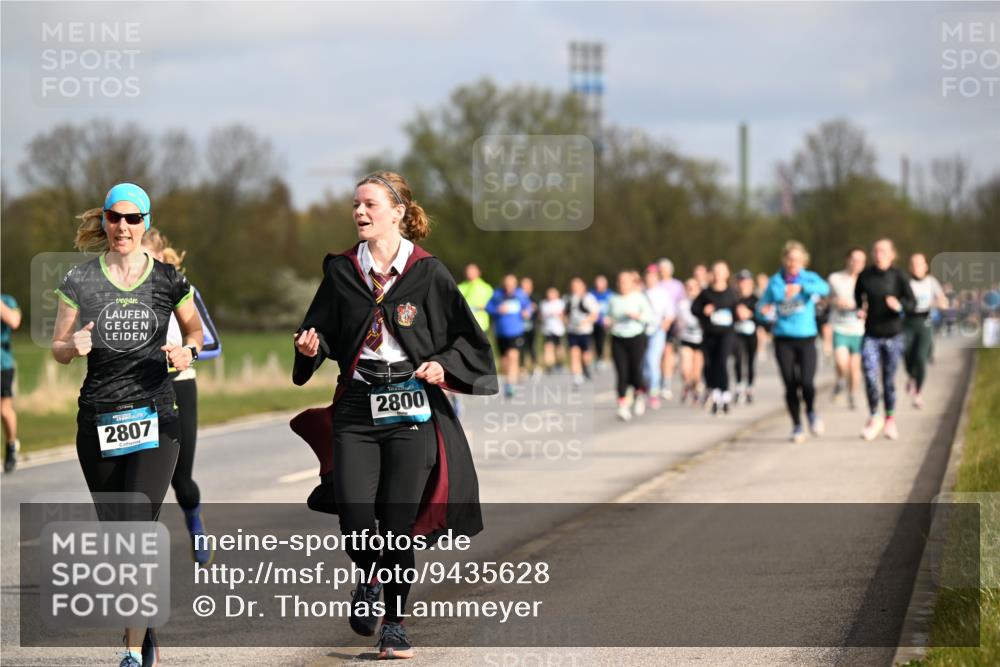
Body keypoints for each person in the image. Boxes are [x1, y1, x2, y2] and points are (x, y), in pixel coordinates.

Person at [290, 171, 497, 659]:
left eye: (370, 205)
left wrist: (441, 365)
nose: (359, 213)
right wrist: (308, 347)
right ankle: (368, 577)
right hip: (359, 408)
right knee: (357, 517)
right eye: (355, 205)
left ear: (398, 212)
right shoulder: (342, 271)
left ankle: (396, 624)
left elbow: (469, 341)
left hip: (411, 406)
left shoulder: (429, 272)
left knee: (397, 522)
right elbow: (317, 331)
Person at [51, 183, 203, 667]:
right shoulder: (79, 279)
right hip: (99, 419)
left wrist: (187, 351)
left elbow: (195, 329)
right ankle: (145, 625)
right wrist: (71, 347)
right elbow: (57, 348)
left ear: (145, 223)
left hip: (157, 418)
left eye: (133, 219)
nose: (123, 227)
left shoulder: (168, 279)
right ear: (104, 223)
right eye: (115, 218)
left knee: (137, 531)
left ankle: (131, 651)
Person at [141, 229, 221, 564]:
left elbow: (212, 343)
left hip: (179, 385)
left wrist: (185, 352)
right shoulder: (122, 295)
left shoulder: (182, 289)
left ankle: (195, 524)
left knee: (181, 480)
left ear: (162, 259)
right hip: (138, 389)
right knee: (143, 482)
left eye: (149, 260)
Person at [758, 241, 830, 443]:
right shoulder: (775, 282)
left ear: (803, 261)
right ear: (784, 260)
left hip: (807, 338)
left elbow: (825, 288)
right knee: (790, 384)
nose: (793, 263)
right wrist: (762, 312)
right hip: (783, 340)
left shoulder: (809, 277)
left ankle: (812, 412)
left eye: (797, 259)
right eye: (790, 259)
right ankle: (797, 425)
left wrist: (802, 287)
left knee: (807, 383)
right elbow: (762, 305)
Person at [855, 238, 916, 441]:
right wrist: (859, 309)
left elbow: (912, 302)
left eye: (883, 251)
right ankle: (874, 416)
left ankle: (890, 420)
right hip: (871, 334)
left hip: (893, 335)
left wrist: (898, 306)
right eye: (875, 251)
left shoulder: (899, 276)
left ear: (892, 254)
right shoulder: (865, 276)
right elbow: (858, 297)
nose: (878, 255)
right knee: (870, 377)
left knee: (888, 380)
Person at [692, 261, 740, 415]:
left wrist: (741, 313)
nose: (718, 274)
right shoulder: (706, 293)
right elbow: (694, 308)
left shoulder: (732, 293)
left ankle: (724, 393)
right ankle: (715, 391)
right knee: (709, 364)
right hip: (709, 334)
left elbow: (737, 312)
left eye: (721, 271)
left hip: (726, 334)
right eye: (715, 271)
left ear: (727, 274)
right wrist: (703, 310)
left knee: (722, 361)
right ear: (711, 274)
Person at [608, 271, 654, 420]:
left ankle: (639, 394)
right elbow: (607, 316)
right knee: (621, 372)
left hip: (636, 337)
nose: (622, 284)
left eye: (625, 281)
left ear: (632, 283)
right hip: (618, 338)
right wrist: (607, 322)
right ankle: (622, 406)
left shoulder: (639, 298)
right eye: (620, 281)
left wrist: (637, 316)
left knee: (635, 370)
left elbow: (650, 317)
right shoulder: (613, 299)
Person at [905, 253, 947, 409]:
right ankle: (911, 375)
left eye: (919, 264)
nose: (916, 267)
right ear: (909, 267)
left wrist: (939, 302)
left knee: (921, 358)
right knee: (907, 353)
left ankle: (918, 393)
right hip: (907, 323)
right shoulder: (905, 282)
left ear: (925, 266)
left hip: (925, 323)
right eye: (913, 264)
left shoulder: (931, 282)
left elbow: (943, 300)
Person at [828, 248, 867, 410]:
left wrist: (864, 309)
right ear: (847, 260)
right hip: (840, 327)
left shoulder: (867, 280)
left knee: (854, 367)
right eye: (853, 259)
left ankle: (852, 394)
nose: (856, 263)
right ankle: (840, 380)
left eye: (860, 261)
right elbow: (825, 298)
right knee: (841, 362)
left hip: (859, 330)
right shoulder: (835, 278)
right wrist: (836, 301)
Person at [486, 274, 532, 399]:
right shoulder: (497, 294)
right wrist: (497, 310)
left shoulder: (520, 294)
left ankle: (511, 383)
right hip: (501, 332)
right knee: (504, 359)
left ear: (515, 285)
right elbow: (488, 307)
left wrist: (527, 312)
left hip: (516, 331)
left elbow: (528, 306)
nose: (508, 288)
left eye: (511, 285)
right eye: (506, 285)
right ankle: (508, 381)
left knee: (513, 355)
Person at [643, 265, 674, 410]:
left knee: (652, 361)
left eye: (653, 275)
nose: (650, 278)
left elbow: (670, 313)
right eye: (648, 275)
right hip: (641, 332)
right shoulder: (641, 293)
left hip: (657, 332)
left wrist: (665, 324)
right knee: (643, 365)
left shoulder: (662, 293)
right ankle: (644, 388)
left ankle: (654, 391)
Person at [656, 258, 684, 400]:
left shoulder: (677, 285)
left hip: (671, 322)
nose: (662, 272)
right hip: (656, 322)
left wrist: (679, 322)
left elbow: (682, 304)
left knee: (667, 351)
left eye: (664, 270)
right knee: (659, 353)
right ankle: (660, 378)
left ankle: (666, 383)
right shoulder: (654, 284)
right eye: (660, 270)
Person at [566, 277, 600, 387]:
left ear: (583, 286)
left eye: (577, 286)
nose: (575, 288)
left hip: (585, 331)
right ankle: (577, 376)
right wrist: (565, 321)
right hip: (572, 330)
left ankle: (586, 367)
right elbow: (564, 313)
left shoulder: (588, 298)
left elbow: (595, 314)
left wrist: (586, 321)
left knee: (585, 355)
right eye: (573, 286)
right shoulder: (569, 299)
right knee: (574, 352)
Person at [731, 270, 759, 404]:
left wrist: (750, 314)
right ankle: (739, 386)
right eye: (741, 281)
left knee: (750, 360)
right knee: (738, 358)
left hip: (751, 334)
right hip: (737, 333)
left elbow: (762, 318)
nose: (743, 284)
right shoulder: (734, 298)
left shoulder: (755, 299)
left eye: (746, 281)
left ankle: (750, 387)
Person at [1, 293, 22, 472]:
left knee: (3, 410)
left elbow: (14, 322)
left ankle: (11, 444)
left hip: (3, 364)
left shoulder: (8, 301)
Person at [677, 279, 705, 405]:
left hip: (701, 340)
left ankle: (695, 392)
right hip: (686, 339)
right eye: (688, 287)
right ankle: (687, 385)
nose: (691, 290)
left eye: (693, 287)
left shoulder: (704, 303)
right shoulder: (682, 304)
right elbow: (678, 322)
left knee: (697, 373)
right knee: (685, 369)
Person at [457, 263, 493, 333]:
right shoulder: (459, 287)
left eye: (472, 271)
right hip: (464, 324)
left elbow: (492, 305)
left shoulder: (486, 288)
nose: (469, 273)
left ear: (479, 272)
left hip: (481, 324)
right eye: (468, 271)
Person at [539, 287, 567, 373]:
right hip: (547, 329)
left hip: (558, 329)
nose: (550, 295)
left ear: (557, 294)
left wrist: (560, 316)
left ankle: (560, 363)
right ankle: (550, 366)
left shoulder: (561, 303)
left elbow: (564, 316)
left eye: (552, 293)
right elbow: (540, 316)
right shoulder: (544, 304)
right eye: (549, 293)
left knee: (559, 347)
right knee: (548, 347)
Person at [519, 277, 541, 380]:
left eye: (526, 286)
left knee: (532, 347)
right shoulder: (518, 297)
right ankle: (522, 369)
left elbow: (538, 310)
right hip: (520, 327)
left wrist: (532, 309)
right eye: (522, 286)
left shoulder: (535, 297)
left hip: (532, 326)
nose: (524, 288)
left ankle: (535, 367)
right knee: (521, 348)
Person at [589, 275, 613, 368]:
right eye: (597, 283)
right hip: (593, 321)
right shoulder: (591, 294)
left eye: (601, 283)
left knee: (601, 341)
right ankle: (593, 359)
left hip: (604, 322)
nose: (599, 285)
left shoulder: (610, 294)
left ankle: (601, 358)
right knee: (591, 341)